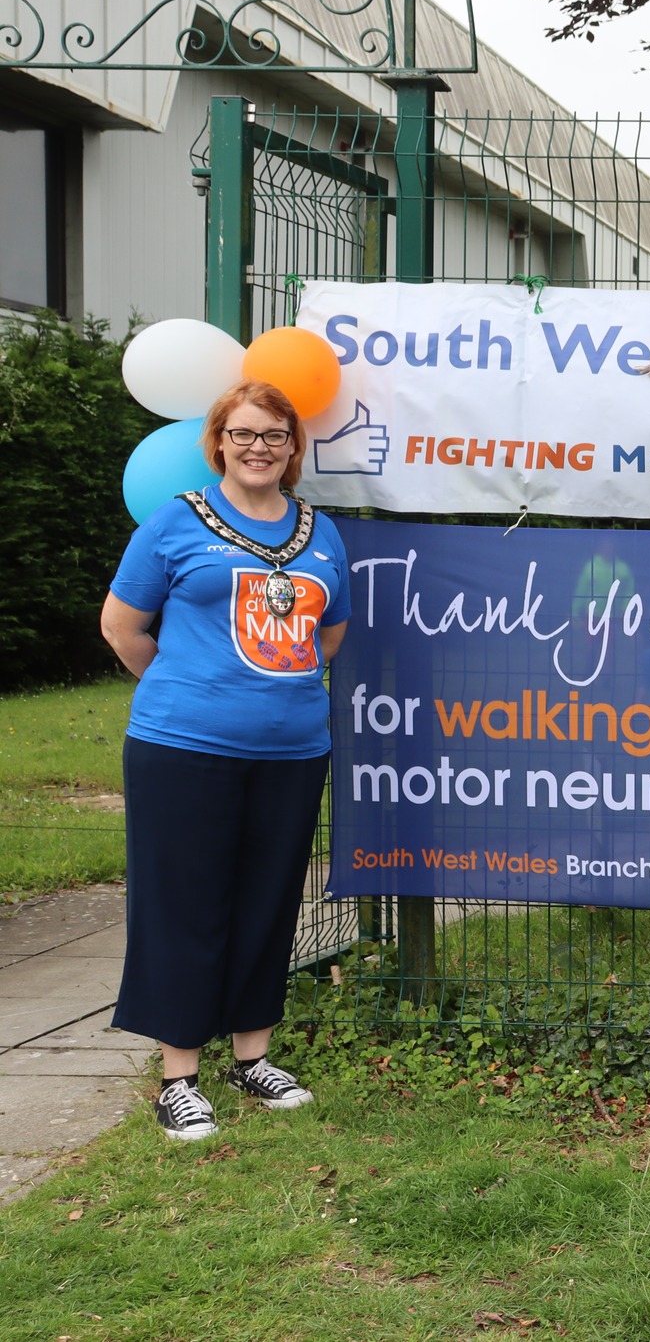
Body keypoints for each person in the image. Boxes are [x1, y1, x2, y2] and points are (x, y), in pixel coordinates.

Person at [100, 379, 351, 1141]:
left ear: (292, 449)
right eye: (243, 433)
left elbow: (328, 634)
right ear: (218, 441)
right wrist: (188, 683)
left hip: (292, 750)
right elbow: (122, 627)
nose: (258, 448)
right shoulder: (175, 523)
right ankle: (180, 1075)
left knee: (269, 897)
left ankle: (253, 1055)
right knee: (184, 901)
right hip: (183, 748)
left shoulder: (321, 531)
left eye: (274, 436)